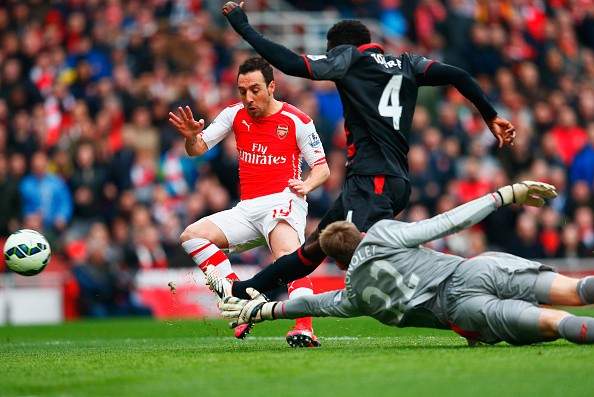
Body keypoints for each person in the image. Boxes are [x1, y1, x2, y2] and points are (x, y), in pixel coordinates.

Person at [220, 2, 517, 300]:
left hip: (372, 180)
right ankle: (244, 291)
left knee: (362, 254)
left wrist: (243, 26)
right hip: (388, 180)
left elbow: (292, 64)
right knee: (315, 247)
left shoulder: (348, 59)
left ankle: (459, 294)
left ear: (339, 47)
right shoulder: (408, 63)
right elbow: (459, 76)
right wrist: (490, 115)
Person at [212, 181, 594, 346]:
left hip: (464, 310)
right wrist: (504, 194)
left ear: (340, 263)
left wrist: (261, 311)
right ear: (360, 235)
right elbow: (446, 223)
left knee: (554, 322)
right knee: (576, 290)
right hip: (475, 269)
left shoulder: (353, 296)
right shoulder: (382, 233)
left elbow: (309, 304)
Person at [168, 57, 330, 347]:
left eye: (255, 90)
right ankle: (237, 303)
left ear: (271, 86)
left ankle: (304, 327)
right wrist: (191, 138)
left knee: (288, 257)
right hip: (247, 208)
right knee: (192, 236)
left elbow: (322, 167)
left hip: (283, 200)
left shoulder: (298, 121)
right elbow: (197, 149)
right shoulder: (234, 115)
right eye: (242, 91)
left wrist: (305, 184)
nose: (248, 98)